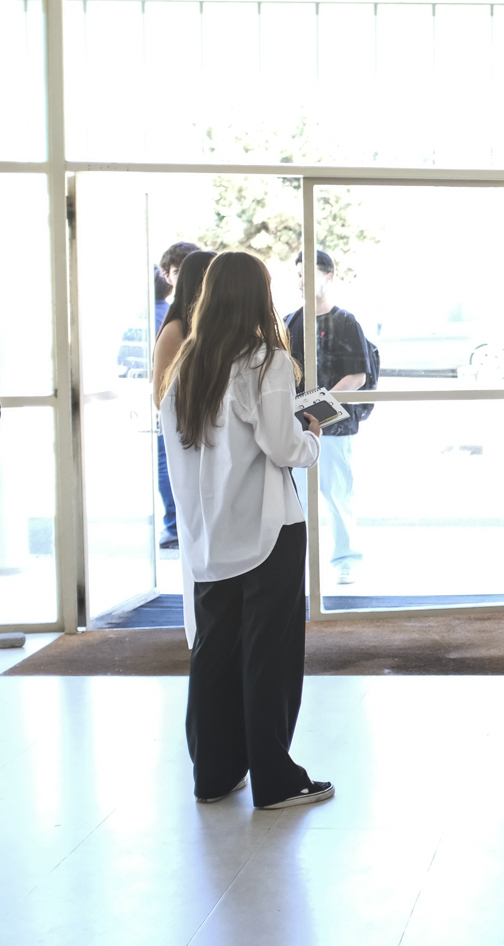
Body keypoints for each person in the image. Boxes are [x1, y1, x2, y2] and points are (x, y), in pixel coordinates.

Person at [159, 251, 333, 810]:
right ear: (259, 297)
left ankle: (214, 773)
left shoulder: (187, 363)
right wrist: (312, 437)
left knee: (214, 651)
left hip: (208, 533)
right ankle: (276, 781)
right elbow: (283, 447)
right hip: (266, 527)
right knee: (270, 654)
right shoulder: (266, 361)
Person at [284, 250, 370, 586]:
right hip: (298, 428)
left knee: (338, 494)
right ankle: (299, 563)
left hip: (335, 428)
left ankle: (345, 560)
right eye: (299, 274)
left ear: (329, 277)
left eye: (310, 273)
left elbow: (357, 376)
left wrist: (316, 412)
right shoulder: (290, 322)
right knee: (298, 498)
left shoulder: (345, 321)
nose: (304, 280)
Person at [154, 250, 218, 648]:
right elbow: (163, 397)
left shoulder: (208, 328)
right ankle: (200, 634)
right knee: (196, 535)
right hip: (190, 446)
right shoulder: (176, 329)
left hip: (211, 445)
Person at [153, 266, 177, 548]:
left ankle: (173, 525)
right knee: (167, 464)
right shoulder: (173, 324)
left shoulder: (165, 318)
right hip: (179, 417)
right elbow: (161, 393)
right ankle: (173, 524)